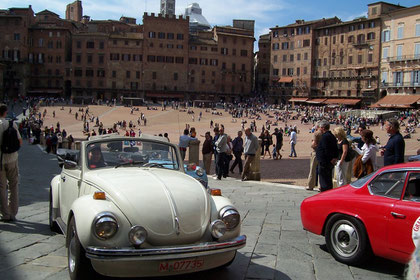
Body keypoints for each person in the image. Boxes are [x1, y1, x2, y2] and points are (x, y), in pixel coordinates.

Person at [0, 104, 22, 222]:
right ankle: (13, 213)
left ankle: (5, 214)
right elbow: (20, 142)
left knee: (1, 187)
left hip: (0, 160)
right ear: (5, 112)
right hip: (12, 159)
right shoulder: (11, 124)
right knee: (13, 185)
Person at [316, 120, 339, 192]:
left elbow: (326, 149)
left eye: (320, 127)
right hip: (328, 161)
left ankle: (325, 193)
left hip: (325, 162)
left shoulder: (325, 136)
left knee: (324, 181)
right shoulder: (331, 136)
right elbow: (335, 148)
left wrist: (330, 159)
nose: (319, 129)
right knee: (328, 180)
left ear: (323, 128)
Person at [307, 125, 322, 191]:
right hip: (322, 152)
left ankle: (310, 185)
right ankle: (320, 186)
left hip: (316, 152)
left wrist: (311, 145)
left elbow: (313, 144)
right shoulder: (324, 133)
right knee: (320, 170)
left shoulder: (317, 133)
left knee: (312, 169)